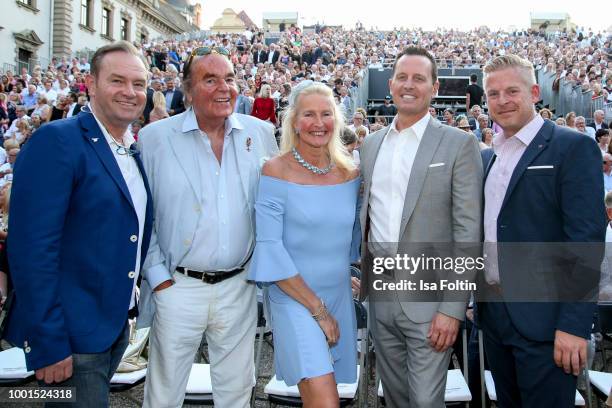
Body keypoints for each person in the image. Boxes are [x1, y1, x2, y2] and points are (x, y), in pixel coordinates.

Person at [4, 40, 153, 407]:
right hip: (70, 332)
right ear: (91, 83)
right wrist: (49, 340)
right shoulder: (57, 140)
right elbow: (32, 249)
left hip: (110, 324)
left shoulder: (131, 147)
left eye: (139, 84)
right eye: (118, 81)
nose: (130, 92)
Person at [138, 46, 278, 408]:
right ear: (186, 89)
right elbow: (143, 212)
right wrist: (159, 278)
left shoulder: (261, 133)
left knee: (236, 392)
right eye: (210, 79)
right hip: (177, 285)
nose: (224, 88)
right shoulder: (155, 138)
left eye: (230, 78)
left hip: (238, 287)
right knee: (163, 394)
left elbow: (272, 207)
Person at [359, 46, 483, 407]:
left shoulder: (460, 144)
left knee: (426, 402)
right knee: (396, 398)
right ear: (391, 83)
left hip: (432, 299)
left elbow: (468, 234)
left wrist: (452, 308)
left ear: (434, 86)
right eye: (402, 77)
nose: (409, 85)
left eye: (419, 78)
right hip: (381, 293)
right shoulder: (370, 145)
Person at [479, 54, 605, 407]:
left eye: (511, 91)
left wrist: (573, 325)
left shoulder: (572, 147)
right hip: (496, 316)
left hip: (548, 323)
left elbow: (585, 242)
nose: (502, 101)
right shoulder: (490, 157)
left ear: (534, 92)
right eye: (493, 93)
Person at [249, 80, 360, 406]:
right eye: (308, 114)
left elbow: (353, 237)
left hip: (337, 294)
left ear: (337, 120)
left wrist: (358, 275)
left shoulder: (351, 174)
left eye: (326, 114)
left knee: (322, 397)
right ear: (294, 121)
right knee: (325, 399)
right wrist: (318, 310)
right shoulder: (275, 171)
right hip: (294, 298)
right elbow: (269, 248)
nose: (318, 123)